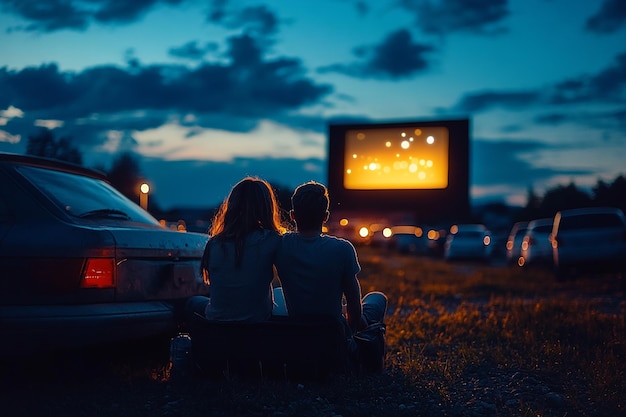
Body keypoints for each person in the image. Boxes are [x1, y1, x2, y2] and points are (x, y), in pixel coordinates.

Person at [274, 181, 387, 337]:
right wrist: (353, 332)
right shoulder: (342, 248)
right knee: (377, 298)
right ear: (325, 216)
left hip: (298, 329)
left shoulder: (280, 245)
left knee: (278, 292)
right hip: (333, 332)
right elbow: (353, 302)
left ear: (293, 215)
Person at [185, 176, 287, 322]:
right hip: (256, 322)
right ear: (267, 207)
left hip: (218, 323)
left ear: (231, 206)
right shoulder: (271, 240)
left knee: (192, 302)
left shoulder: (214, 243)